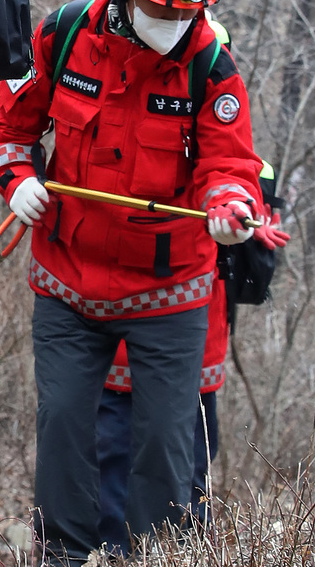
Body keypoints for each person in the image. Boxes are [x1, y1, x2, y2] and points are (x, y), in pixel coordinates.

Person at [0, 0, 262, 567]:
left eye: (184, 18)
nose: (171, 30)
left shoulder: (212, 69)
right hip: (67, 280)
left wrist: (227, 207)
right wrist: (17, 179)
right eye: (157, 13)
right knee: (62, 427)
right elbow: (8, 130)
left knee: (165, 439)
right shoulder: (61, 34)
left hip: (170, 290)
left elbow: (230, 166)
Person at [97, 160, 284, 545]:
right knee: (119, 455)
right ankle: (120, 563)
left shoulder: (233, 155)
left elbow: (259, 230)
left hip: (194, 336)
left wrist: (251, 224)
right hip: (127, 336)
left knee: (186, 459)